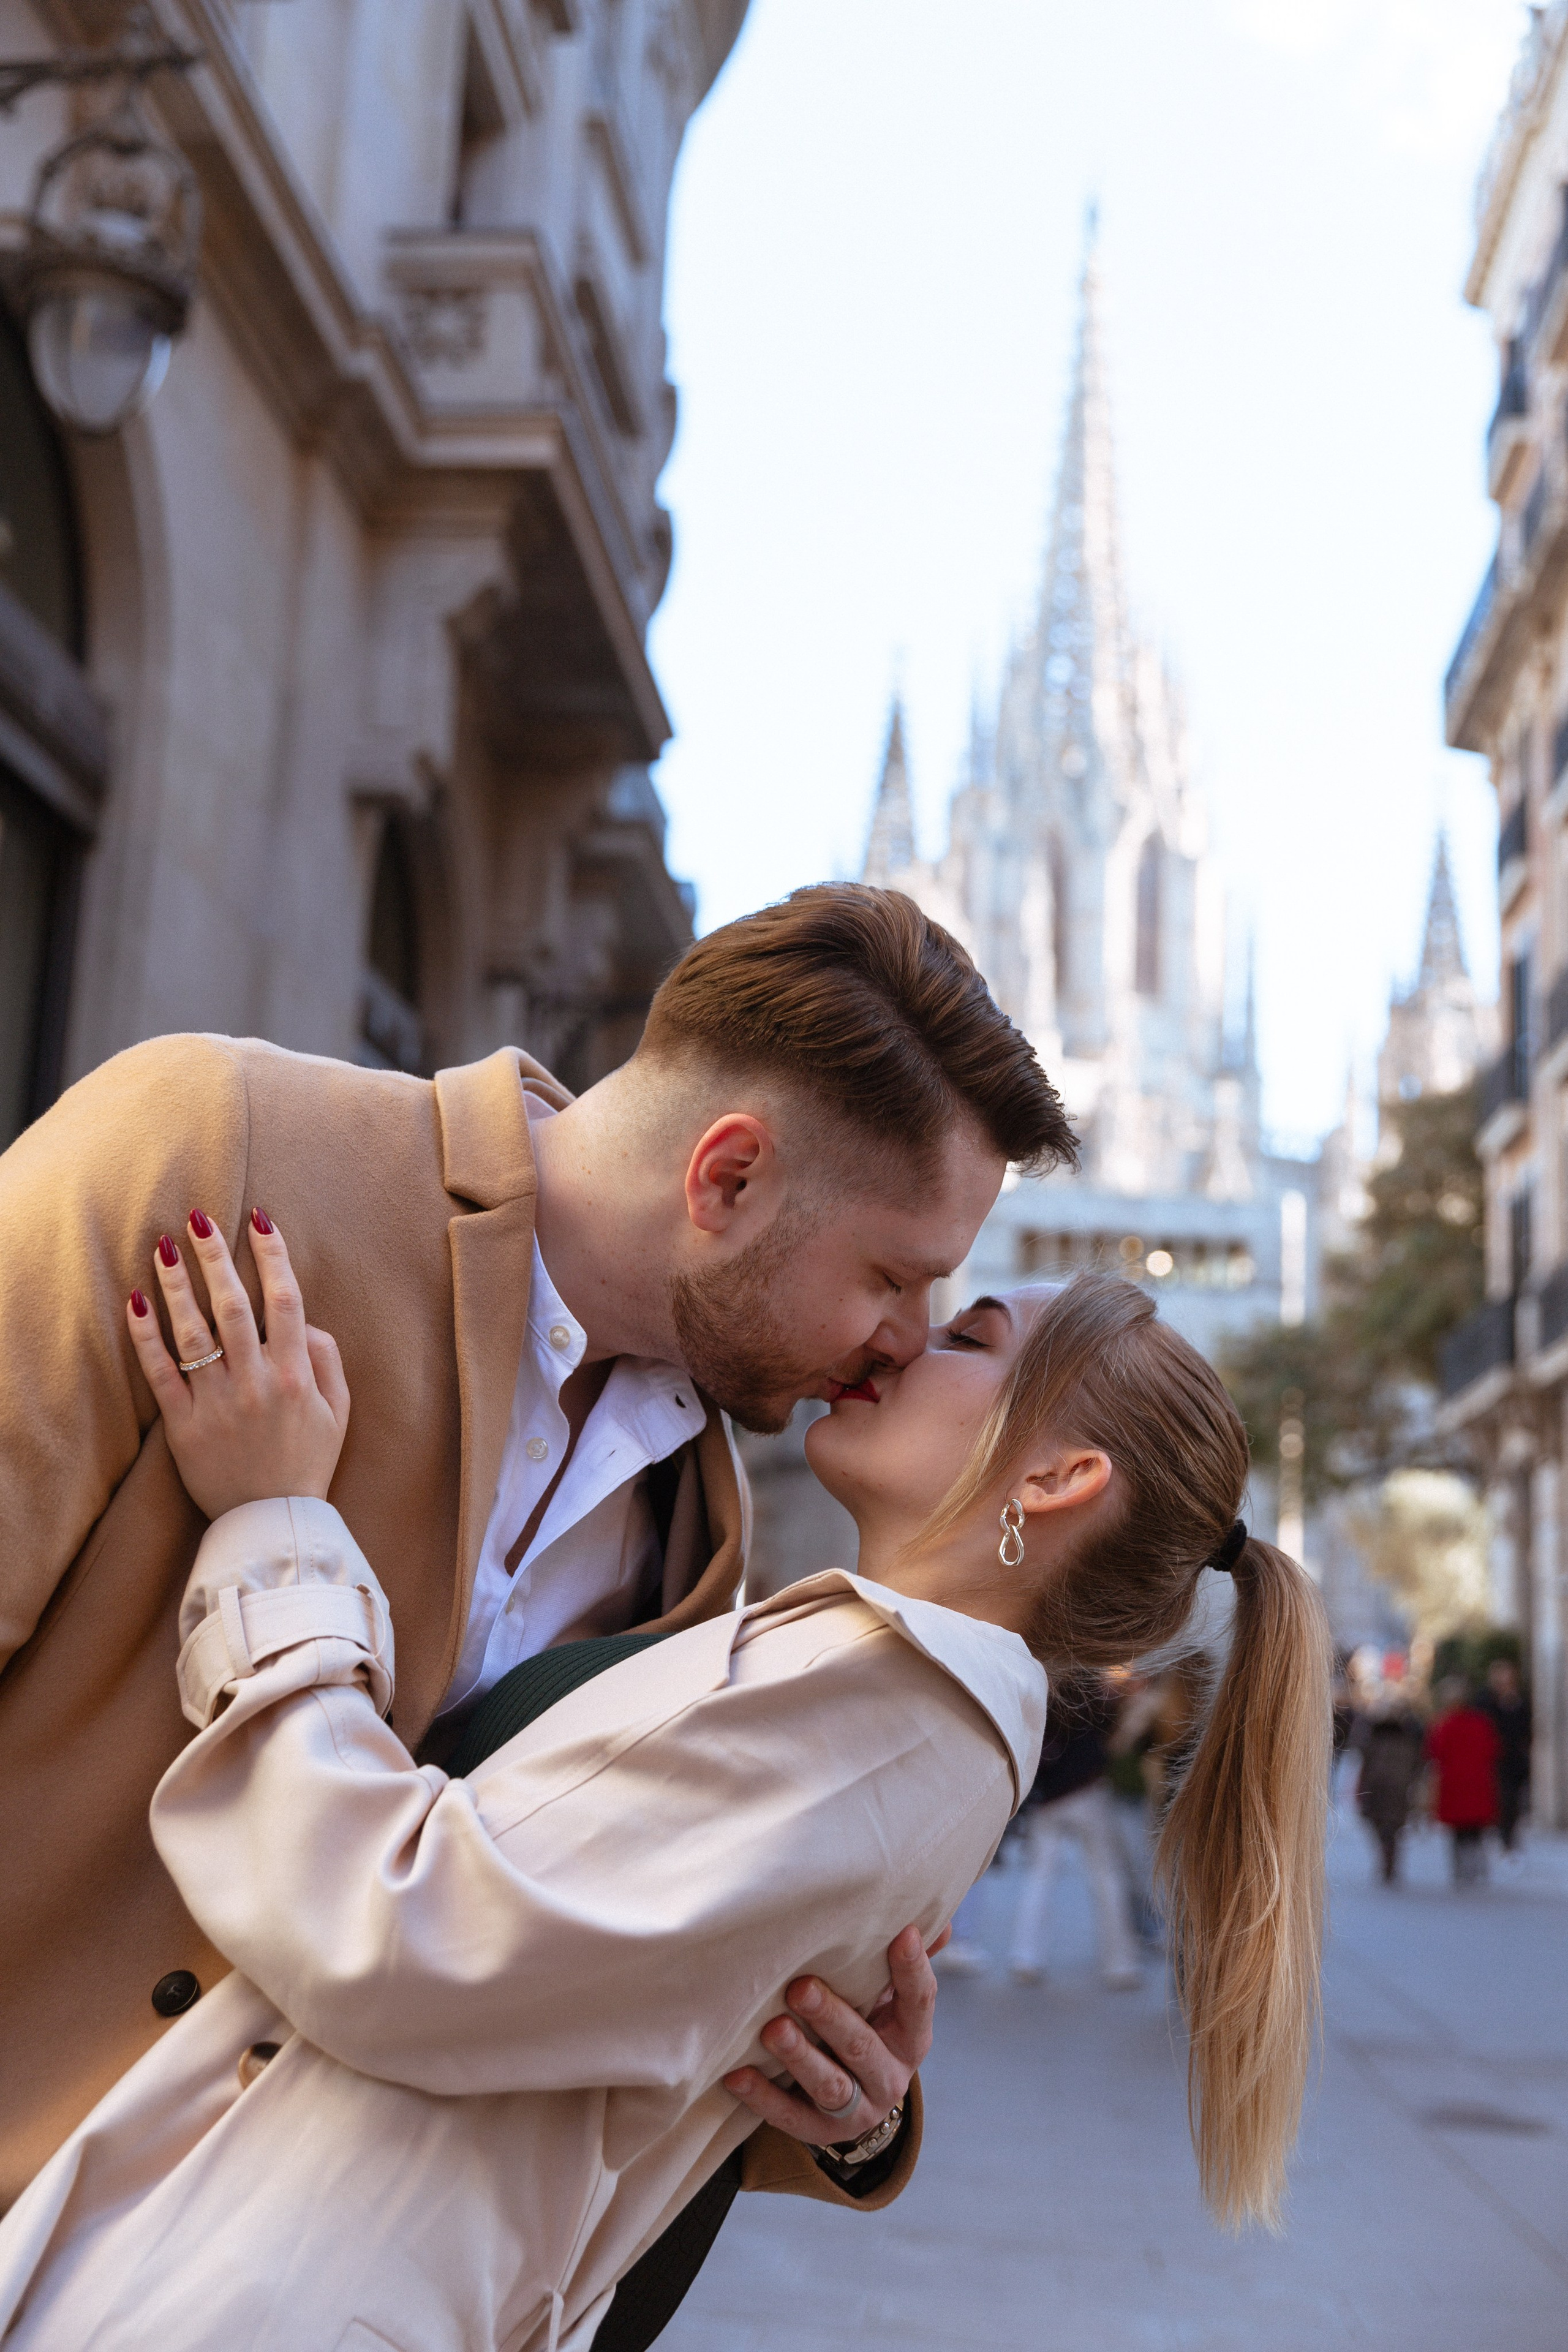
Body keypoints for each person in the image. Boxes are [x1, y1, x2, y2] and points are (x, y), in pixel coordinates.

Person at [0, 884, 1076, 2308]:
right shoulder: (217, 1142)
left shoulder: (701, 1523)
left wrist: (840, 2106)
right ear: (728, 1176)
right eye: (892, 1275)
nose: (904, 1345)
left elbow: (535, 1989)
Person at [0, 1264, 1332, 2350]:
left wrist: (277, 1517)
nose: (904, 1339)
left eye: (972, 1337)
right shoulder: (872, 1680)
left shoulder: (891, 1715)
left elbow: (407, 1933)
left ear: (1051, 1481)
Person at [1007, 1673, 1142, 1988]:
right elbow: (1112, 1735)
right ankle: (1120, 1963)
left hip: (1049, 1794)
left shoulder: (1043, 1687)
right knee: (1106, 1876)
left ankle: (1026, 1956)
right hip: (1088, 1789)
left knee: (1039, 1876)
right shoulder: (1097, 1691)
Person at [1425, 1677, 1502, 1888]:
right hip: (1478, 1782)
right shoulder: (1482, 1723)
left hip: (1453, 1783)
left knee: (1458, 1831)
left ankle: (1461, 1870)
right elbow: (1493, 1750)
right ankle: (1477, 1867)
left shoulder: (1444, 1724)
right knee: (1476, 1828)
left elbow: (1435, 1753)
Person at [1352, 1690, 1426, 1887]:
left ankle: (1388, 1860)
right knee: (1390, 1826)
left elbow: (1361, 1751)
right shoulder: (1406, 1736)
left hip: (1381, 1784)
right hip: (1394, 1786)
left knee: (1384, 1825)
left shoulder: (1385, 1735)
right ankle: (1389, 1859)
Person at [1480, 1656, 1532, 1853]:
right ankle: (1503, 1834)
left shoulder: (1520, 1698)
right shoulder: (1487, 1699)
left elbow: (1526, 1725)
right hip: (1495, 1758)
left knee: (1514, 1799)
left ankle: (1509, 1834)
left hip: (1515, 1759)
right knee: (1502, 1797)